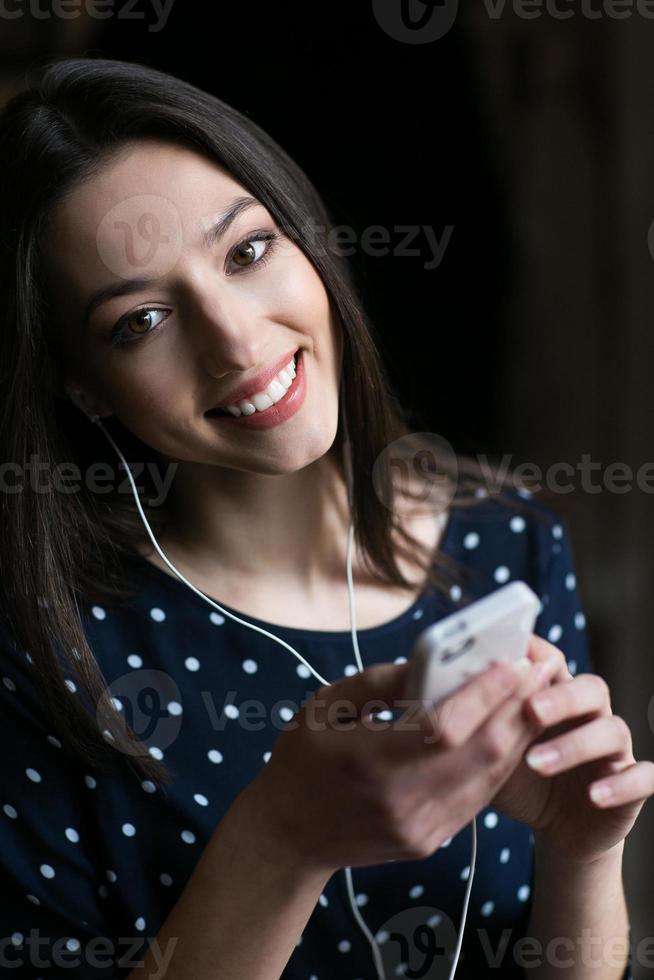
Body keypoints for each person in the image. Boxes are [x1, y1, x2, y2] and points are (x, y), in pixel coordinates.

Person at [0, 56, 648, 980]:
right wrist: (281, 840)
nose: (235, 339)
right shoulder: (43, 660)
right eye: (141, 321)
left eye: (248, 251)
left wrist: (584, 853)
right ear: (83, 386)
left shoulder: (509, 539)